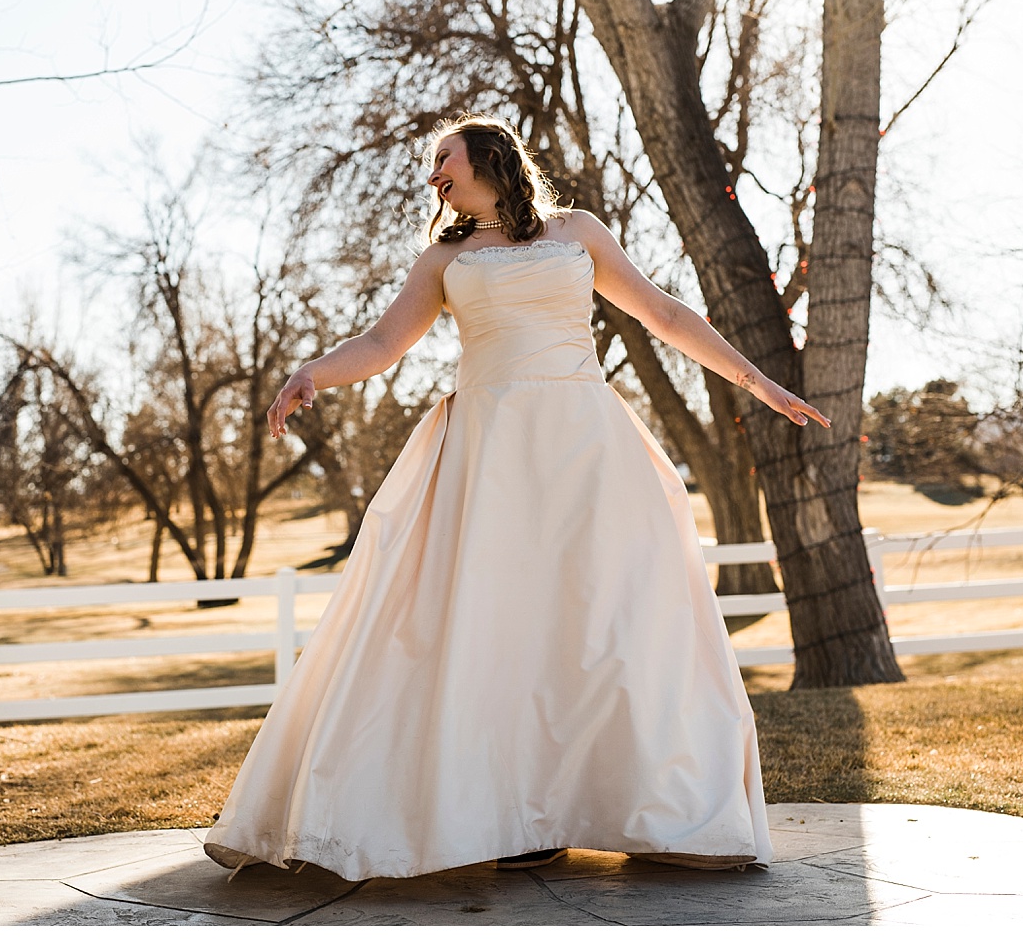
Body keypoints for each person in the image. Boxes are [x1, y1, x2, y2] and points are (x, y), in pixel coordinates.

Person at [203, 114, 830, 880]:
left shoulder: (580, 233)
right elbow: (381, 344)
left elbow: (664, 313)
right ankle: (512, 812)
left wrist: (758, 384)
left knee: (606, 617)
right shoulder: (445, 256)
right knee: (494, 623)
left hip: (585, 445)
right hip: (489, 452)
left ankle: (640, 806)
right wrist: (313, 373)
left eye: (443, 158)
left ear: (488, 158)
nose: (433, 173)